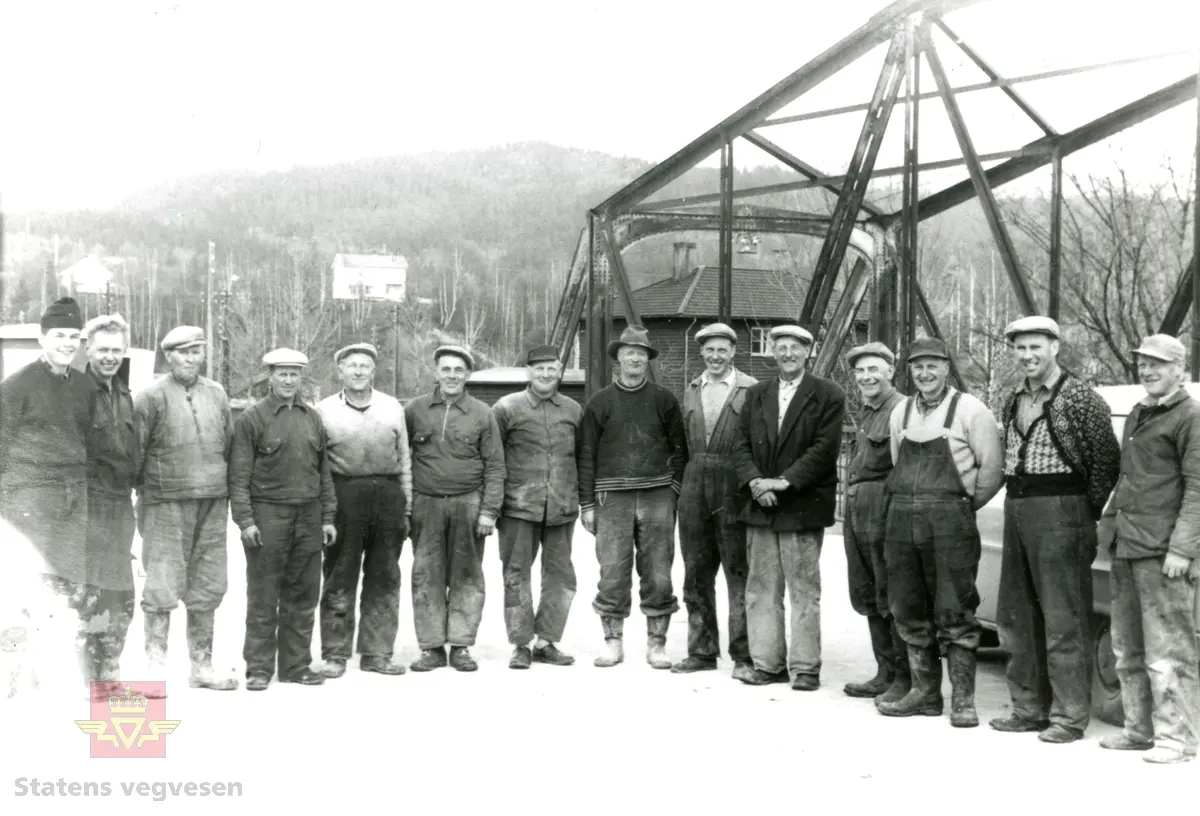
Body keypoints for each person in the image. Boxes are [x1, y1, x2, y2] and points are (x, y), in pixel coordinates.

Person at [990, 316, 1121, 744]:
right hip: (1018, 508)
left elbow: (1105, 464)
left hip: (1063, 512)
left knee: (1063, 618)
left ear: (1055, 348)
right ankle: (1028, 709)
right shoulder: (1013, 398)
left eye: (1036, 348)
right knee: (1017, 613)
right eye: (1020, 349)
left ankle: (1069, 717)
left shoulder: (1082, 398)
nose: (1027, 356)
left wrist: (1082, 514)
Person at [876, 336, 1003, 728]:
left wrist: (959, 508)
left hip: (951, 523)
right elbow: (898, 463)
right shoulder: (901, 412)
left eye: (933, 365)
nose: (926, 373)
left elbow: (992, 472)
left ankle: (963, 702)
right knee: (909, 607)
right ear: (909, 372)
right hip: (902, 522)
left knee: (955, 609)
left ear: (947, 367)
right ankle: (926, 695)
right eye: (918, 367)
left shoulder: (971, 410)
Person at [1097, 334, 1200, 765]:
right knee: (1128, 646)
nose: (1148, 370)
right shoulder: (1139, 412)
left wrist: (1182, 549)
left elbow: (1197, 489)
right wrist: (1107, 529)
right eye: (1143, 363)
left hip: (1163, 552)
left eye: (1158, 363)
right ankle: (1138, 730)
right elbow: (1128, 479)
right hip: (1128, 544)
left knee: (1170, 650)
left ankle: (1178, 740)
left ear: (1181, 369)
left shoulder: (1190, 415)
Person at [730, 325, 845, 690]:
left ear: (807, 352)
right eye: (781, 347)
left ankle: (806, 668)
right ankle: (767, 664)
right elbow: (741, 444)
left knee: (803, 590)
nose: (788, 354)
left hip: (801, 505)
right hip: (761, 505)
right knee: (761, 588)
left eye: (795, 347)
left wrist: (784, 482)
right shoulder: (757, 394)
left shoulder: (828, 394)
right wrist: (754, 483)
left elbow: (825, 449)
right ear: (773, 353)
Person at [135, 326, 238, 692]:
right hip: (166, 503)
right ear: (168, 356)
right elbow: (136, 453)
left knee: (208, 584)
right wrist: (146, 502)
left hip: (212, 500)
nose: (191, 359)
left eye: (197, 351)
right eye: (183, 352)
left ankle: (202, 667)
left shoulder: (217, 393)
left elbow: (227, 443)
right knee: (162, 585)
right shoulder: (150, 396)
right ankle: (155, 670)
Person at [579, 326, 687, 669]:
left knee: (658, 573)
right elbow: (585, 455)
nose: (635, 358)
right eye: (629, 352)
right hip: (612, 499)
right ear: (619, 358)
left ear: (647, 359)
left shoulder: (664, 400)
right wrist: (587, 504)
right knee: (612, 572)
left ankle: (657, 644)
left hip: (657, 495)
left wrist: (672, 492)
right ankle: (613, 643)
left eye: (641, 353)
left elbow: (681, 451)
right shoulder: (600, 402)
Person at [0, 298, 95, 690]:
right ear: (42, 337)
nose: (67, 343)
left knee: (66, 589)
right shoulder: (16, 387)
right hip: (27, 501)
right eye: (59, 335)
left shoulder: (84, 387)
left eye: (74, 336)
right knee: (24, 591)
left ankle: (51, 676)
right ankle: (12, 675)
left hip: (72, 500)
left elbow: (84, 440)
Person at [229, 348, 337, 690]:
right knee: (263, 594)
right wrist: (246, 520)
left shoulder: (313, 418)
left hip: (308, 515)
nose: (289, 380)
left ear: (302, 377)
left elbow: (324, 473)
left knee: (303, 594)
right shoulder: (252, 419)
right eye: (282, 373)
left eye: (295, 373)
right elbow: (239, 476)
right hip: (268, 515)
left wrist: (328, 517)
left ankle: (296, 666)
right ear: (270, 376)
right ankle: (259, 668)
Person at [404, 345, 505, 672]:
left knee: (466, 575)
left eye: (458, 370)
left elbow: (495, 465)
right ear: (436, 372)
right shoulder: (415, 410)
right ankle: (431, 647)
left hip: (468, 504)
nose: (451, 375)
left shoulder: (481, 413)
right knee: (426, 574)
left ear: (467, 375)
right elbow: (400, 459)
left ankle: (461, 645)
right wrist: (406, 508)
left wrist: (489, 510)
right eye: (445, 369)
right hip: (426, 504)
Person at [315, 343, 413, 679]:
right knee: (339, 574)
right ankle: (335, 653)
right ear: (340, 371)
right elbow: (318, 465)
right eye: (351, 365)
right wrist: (326, 512)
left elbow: (405, 459)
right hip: (344, 494)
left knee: (384, 575)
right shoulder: (324, 410)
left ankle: (377, 652)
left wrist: (407, 506)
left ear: (374, 371)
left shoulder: (391, 407)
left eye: (365, 366)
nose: (358, 371)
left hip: (387, 495)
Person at [671, 323, 757, 680]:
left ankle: (744, 654)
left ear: (733, 352)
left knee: (740, 572)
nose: (716, 356)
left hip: (734, 483)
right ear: (702, 352)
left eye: (723, 350)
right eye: (709, 350)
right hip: (694, 483)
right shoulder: (692, 389)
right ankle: (702, 650)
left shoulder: (751, 389)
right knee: (696, 572)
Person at [492, 345, 582, 669]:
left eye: (552, 369)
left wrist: (583, 502)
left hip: (561, 507)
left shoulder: (573, 410)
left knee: (561, 576)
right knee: (517, 575)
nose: (546, 374)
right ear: (528, 372)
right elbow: (492, 458)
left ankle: (546, 641)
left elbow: (582, 459)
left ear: (560, 371)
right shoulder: (506, 408)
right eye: (539, 369)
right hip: (518, 507)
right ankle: (521, 644)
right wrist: (492, 504)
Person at [841, 342, 908, 702]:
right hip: (858, 512)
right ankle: (884, 673)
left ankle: (902, 678)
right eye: (860, 371)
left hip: (885, 514)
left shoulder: (901, 409)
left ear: (890, 372)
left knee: (891, 594)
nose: (866, 377)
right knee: (867, 592)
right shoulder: (867, 412)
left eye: (873, 370)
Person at [80, 314, 142, 694]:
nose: (109, 356)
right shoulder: (72, 393)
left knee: (120, 595)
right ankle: (88, 679)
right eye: (103, 349)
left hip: (120, 509)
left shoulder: (124, 394)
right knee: (88, 597)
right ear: (88, 348)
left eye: (116, 350)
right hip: (87, 509)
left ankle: (109, 676)